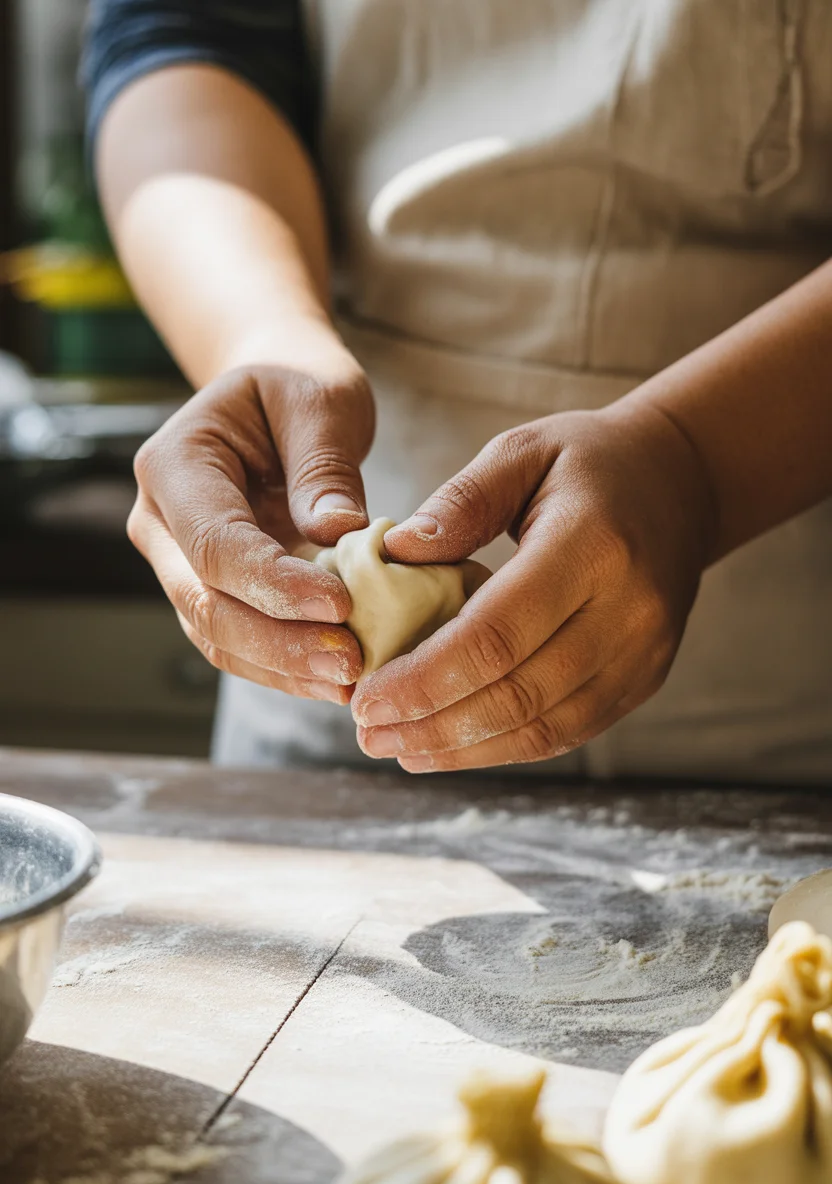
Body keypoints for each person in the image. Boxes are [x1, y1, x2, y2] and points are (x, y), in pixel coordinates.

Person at [83, 1, 832, 781]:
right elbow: (186, 32)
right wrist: (262, 338)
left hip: (794, 687)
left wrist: (701, 465)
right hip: (339, 708)